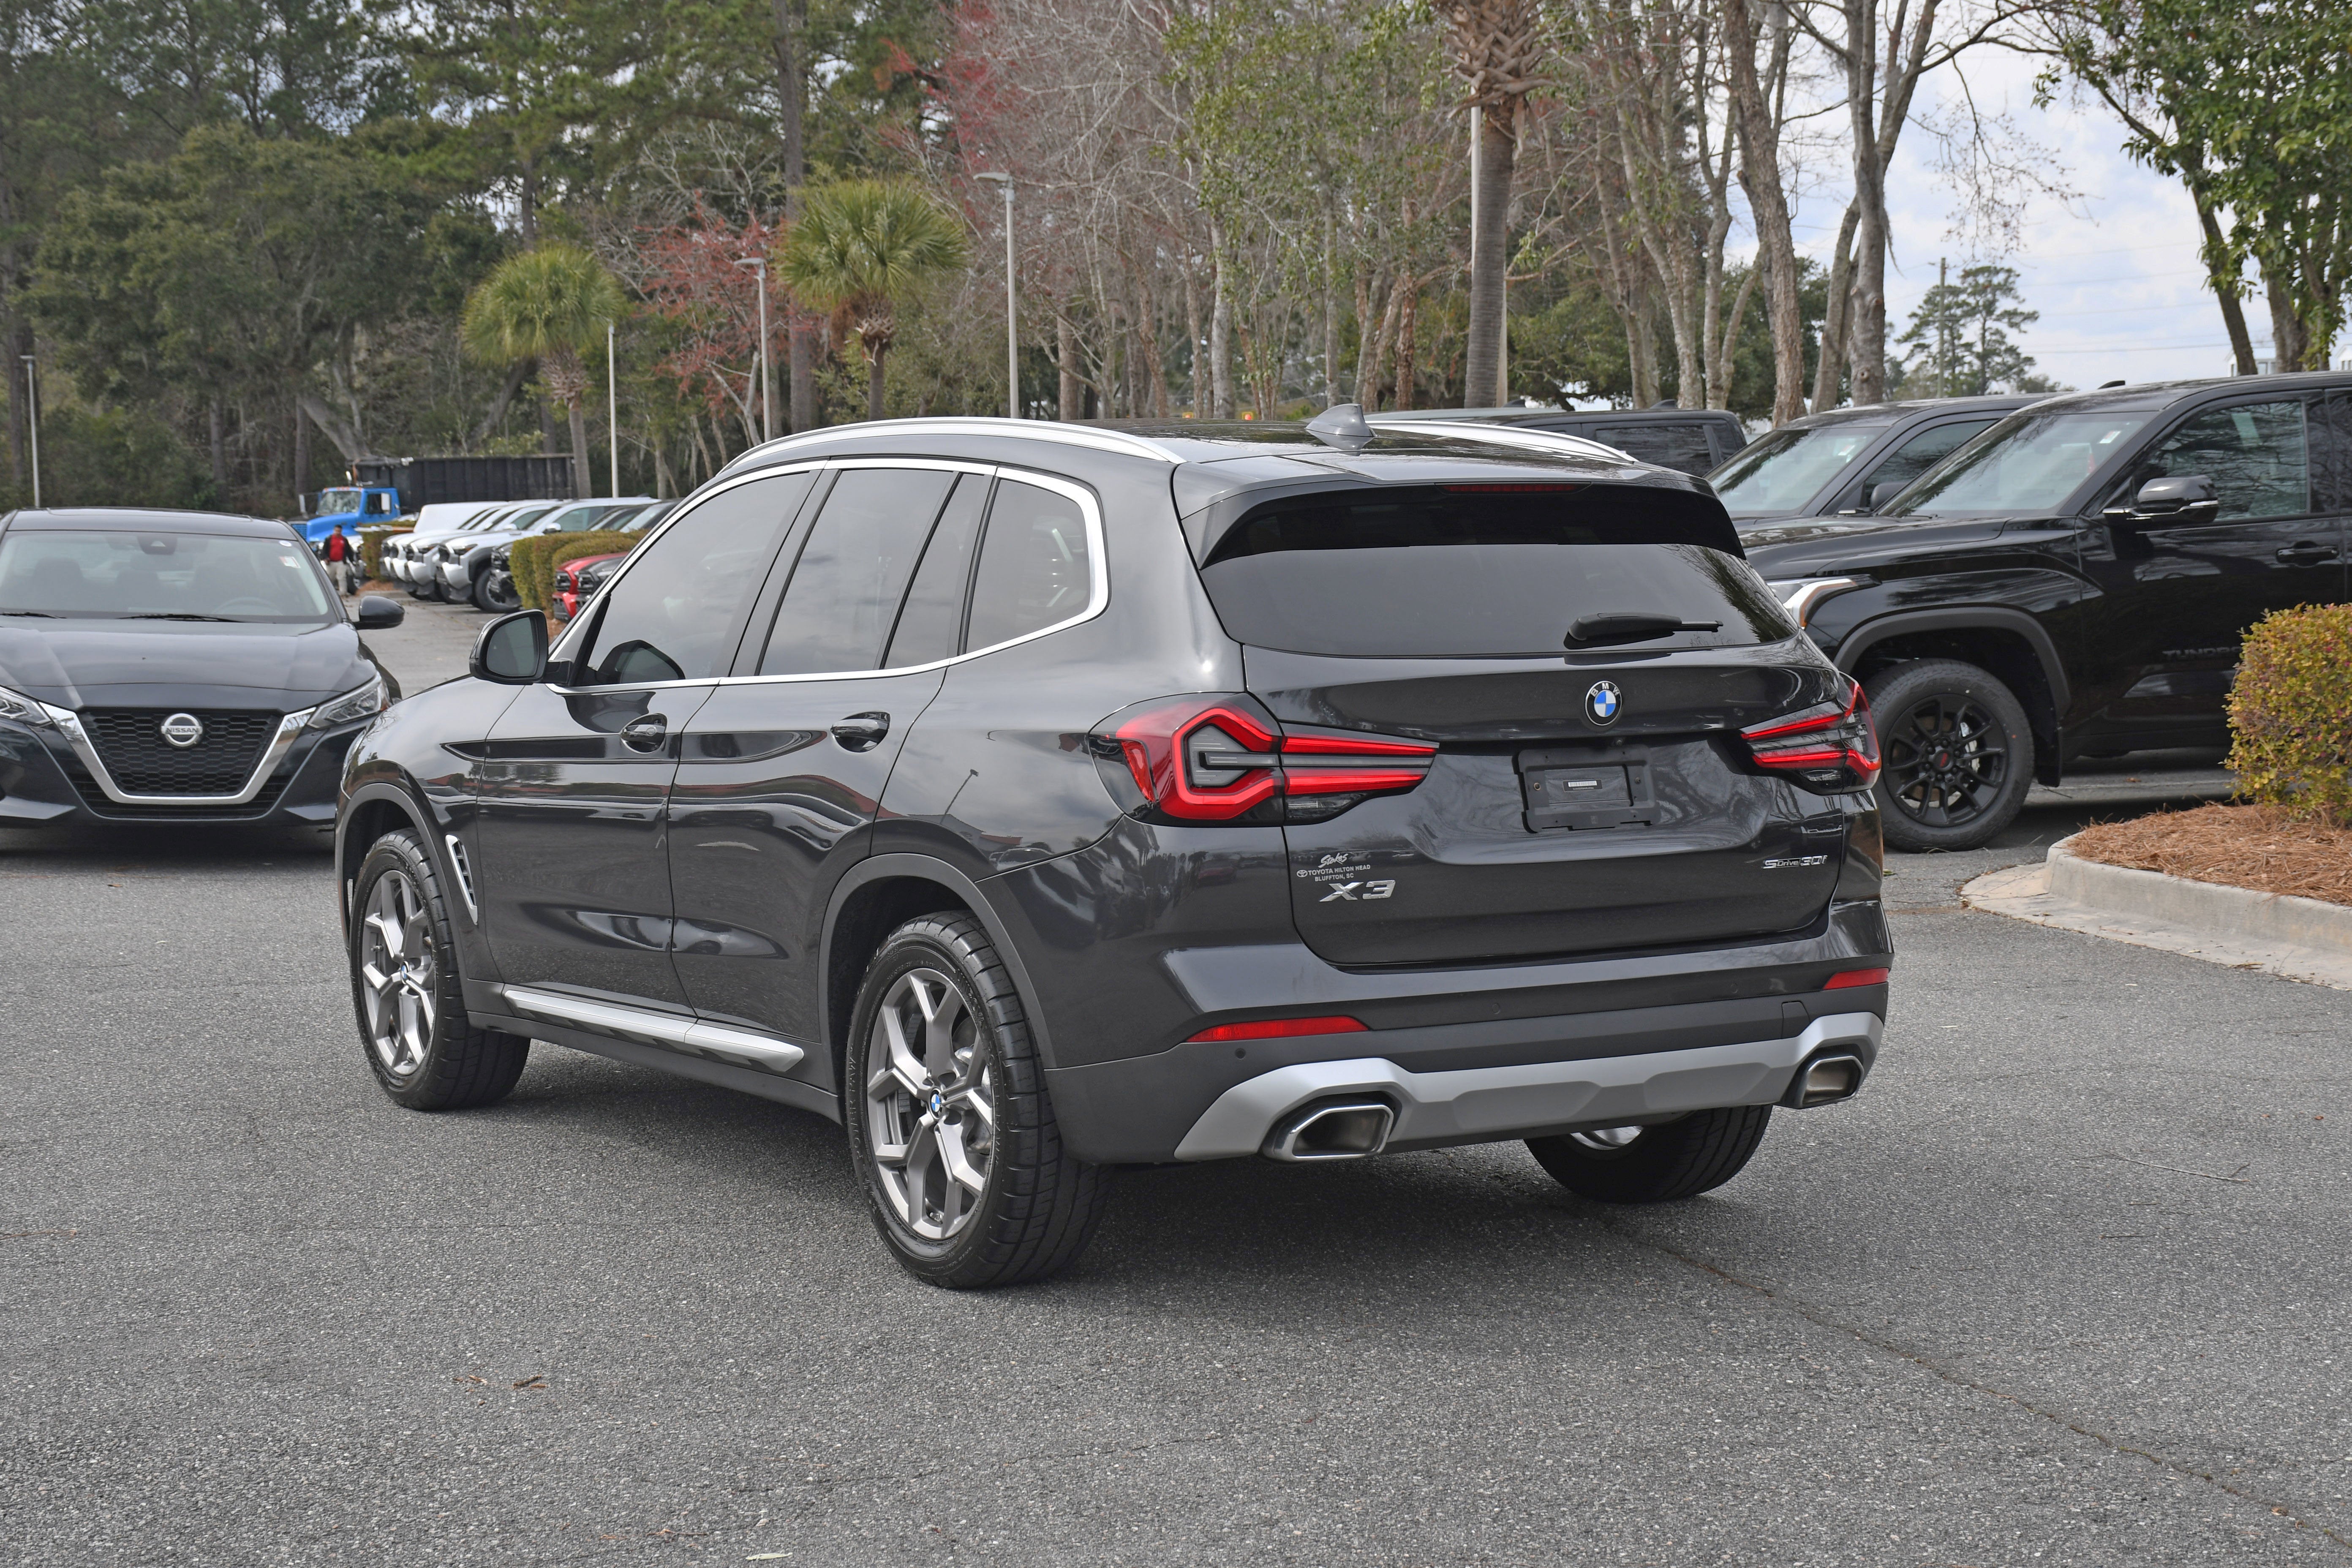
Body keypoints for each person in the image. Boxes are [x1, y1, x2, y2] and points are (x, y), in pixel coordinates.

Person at [322, 526, 357, 596]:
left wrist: (352, 560)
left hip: (341, 562)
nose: (338, 533)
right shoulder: (329, 539)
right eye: (337, 531)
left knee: (342, 577)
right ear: (334, 531)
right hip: (331, 562)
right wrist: (325, 558)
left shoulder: (344, 540)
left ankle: (343, 593)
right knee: (330, 577)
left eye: (339, 531)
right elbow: (324, 551)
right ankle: (328, 592)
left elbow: (349, 551)